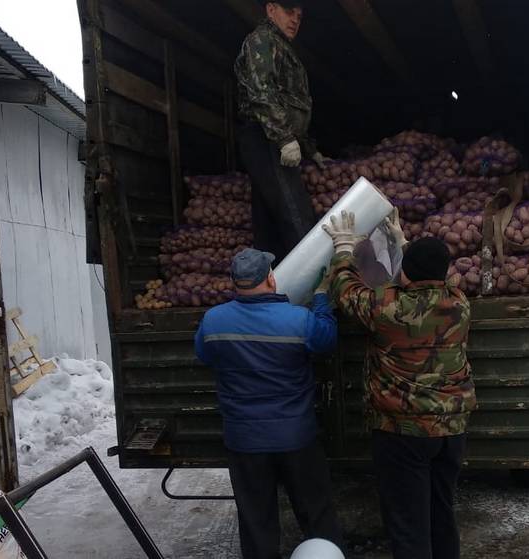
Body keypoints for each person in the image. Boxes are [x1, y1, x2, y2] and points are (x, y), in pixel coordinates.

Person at [322, 210, 477, 559]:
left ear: (405, 272)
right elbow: (429, 277)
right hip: (450, 431)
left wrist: (343, 247)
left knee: (408, 524)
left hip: (403, 433)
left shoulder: (386, 308)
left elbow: (347, 290)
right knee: (441, 512)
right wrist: (406, 244)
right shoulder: (459, 304)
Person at [194, 248, 342, 559]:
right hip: (296, 437)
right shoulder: (299, 320)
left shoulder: (213, 321)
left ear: (235, 283)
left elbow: (205, 355)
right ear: (271, 279)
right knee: (316, 514)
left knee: (256, 521)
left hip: (245, 441)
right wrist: (321, 298)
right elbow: (326, 340)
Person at [234, 0, 326, 261]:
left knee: (269, 223)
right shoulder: (262, 41)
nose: (295, 19)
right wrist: (285, 138)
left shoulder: (281, 46)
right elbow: (261, 91)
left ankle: (274, 290)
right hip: (266, 138)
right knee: (294, 213)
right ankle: (314, 289)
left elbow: (292, 105)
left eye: (299, 15)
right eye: (289, 12)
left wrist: (309, 148)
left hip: (271, 137)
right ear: (271, 9)